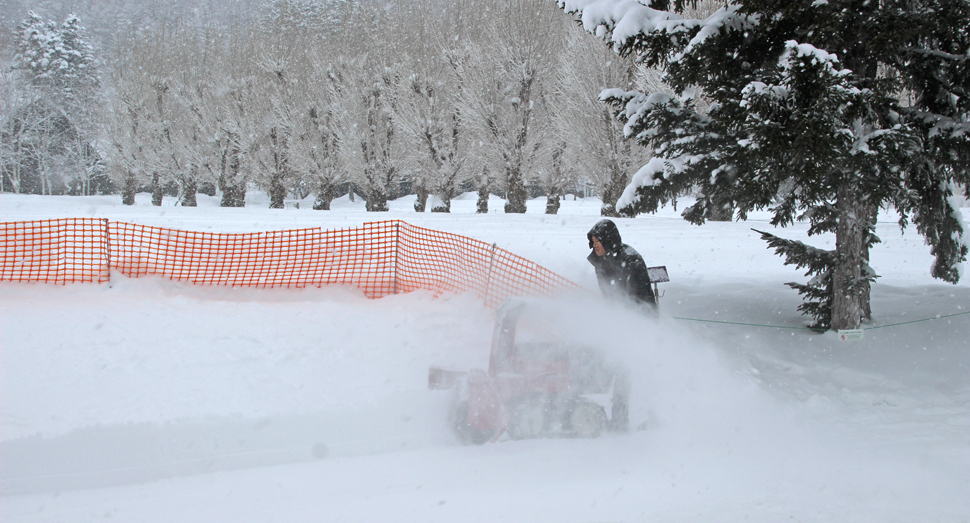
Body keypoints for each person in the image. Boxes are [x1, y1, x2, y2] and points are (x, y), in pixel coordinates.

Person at [586, 219, 657, 310]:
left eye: (598, 241)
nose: (594, 245)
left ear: (607, 240)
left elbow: (639, 297)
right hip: (617, 314)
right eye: (593, 241)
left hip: (640, 315)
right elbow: (608, 293)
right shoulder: (601, 259)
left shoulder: (631, 260)